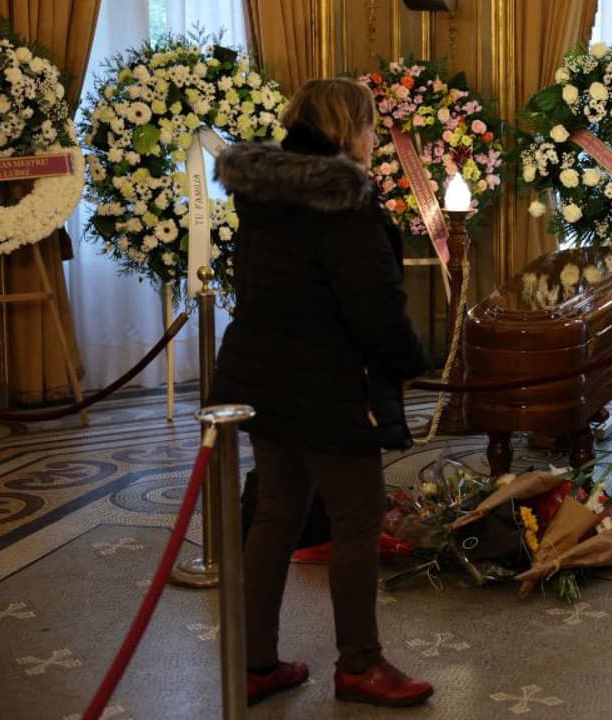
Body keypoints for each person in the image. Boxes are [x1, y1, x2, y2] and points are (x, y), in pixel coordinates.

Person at [213, 78, 433, 709]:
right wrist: (411, 363)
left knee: (276, 512)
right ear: (344, 129)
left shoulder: (263, 193)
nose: (373, 140)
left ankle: (253, 662)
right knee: (358, 518)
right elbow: (374, 308)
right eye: (368, 127)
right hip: (331, 385)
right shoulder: (346, 201)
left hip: (263, 375)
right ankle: (360, 664)